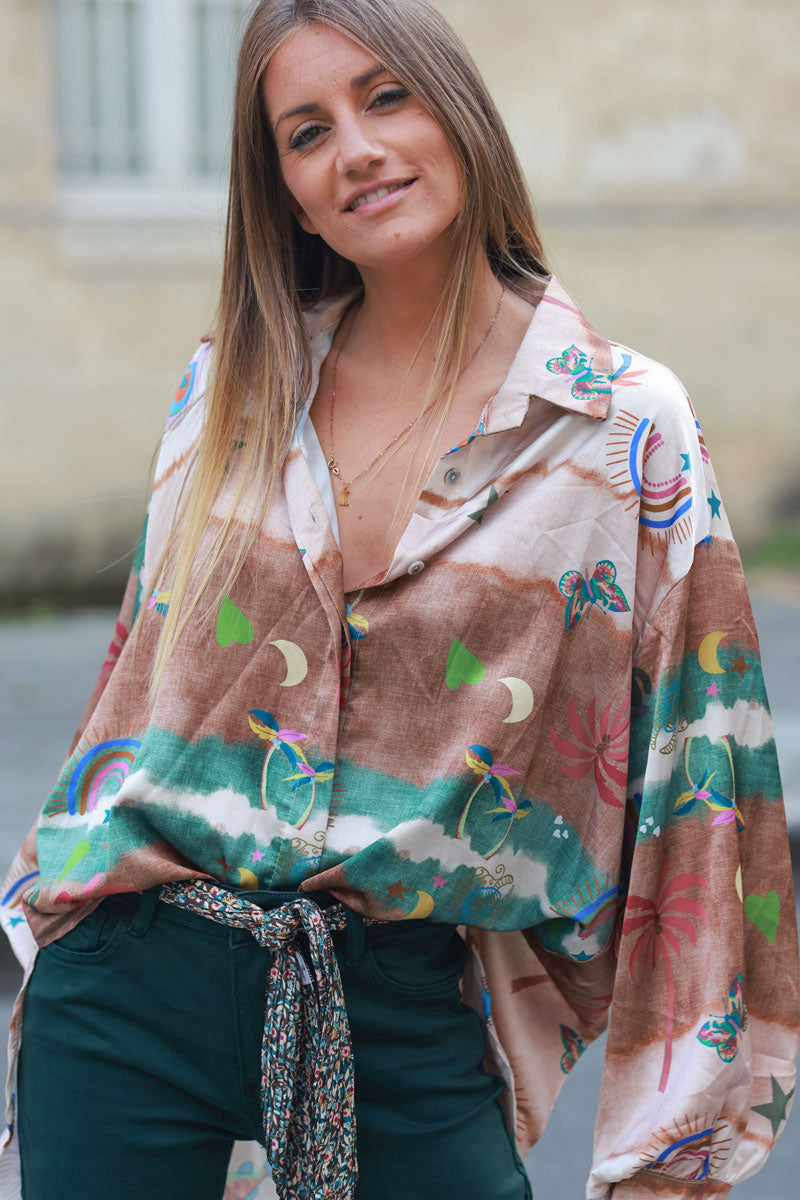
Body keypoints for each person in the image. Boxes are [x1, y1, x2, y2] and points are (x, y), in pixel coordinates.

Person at [1, 1, 798, 1197]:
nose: (355, 150)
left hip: (395, 1010)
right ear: (285, 189)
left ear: (458, 114)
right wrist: (46, 918)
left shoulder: (620, 428)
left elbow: (703, 775)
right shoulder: (231, 391)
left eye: (385, 98)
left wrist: (670, 1150)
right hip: (127, 993)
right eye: (303, 131)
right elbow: (136, 686)